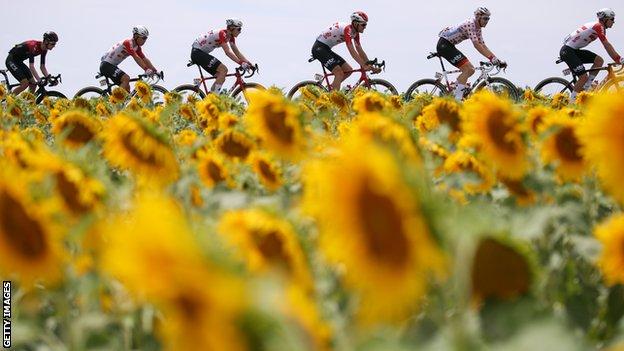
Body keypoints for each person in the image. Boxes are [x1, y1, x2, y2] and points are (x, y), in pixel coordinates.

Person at [437, 7, 505, 100]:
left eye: (488, 19)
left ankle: (456, 86)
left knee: (471, 70)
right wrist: (491, 59)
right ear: (478, 17)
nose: (487, 21)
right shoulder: (471, 24)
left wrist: (495, 59)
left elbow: (483, 46)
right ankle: (457, 100)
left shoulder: (478, 28)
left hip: (449, 45)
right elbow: (477, 45)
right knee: (468, 69)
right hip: (444, 45)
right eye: (485, 18)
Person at [561, 8, 622, 101]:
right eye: (612, 19)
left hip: (573, 51)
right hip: (568, 51)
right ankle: (572, 103)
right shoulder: (598, 26)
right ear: (605, 19)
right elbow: (606, 45)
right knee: (583, 77)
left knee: (599, 60)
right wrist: (618, 59)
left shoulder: (598, 27)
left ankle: (587, 87)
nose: (614, 22)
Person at [312, 11, 380, 91]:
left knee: (348, 70)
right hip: (319, 48)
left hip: (326, 49)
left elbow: (359, 50)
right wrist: (364, 65)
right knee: (339, 73)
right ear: (355, 23)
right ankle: (334, 101)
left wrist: (370, 65)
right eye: (363, 24)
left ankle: (331, 89)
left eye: (366, 24)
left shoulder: (355, 33)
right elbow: (352, 51)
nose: (365, 27)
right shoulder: (348, 30)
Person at [191, 19, 253, 93]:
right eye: (239, 29)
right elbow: (228, 52)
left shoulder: (230, 37)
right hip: (197, 52)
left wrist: (249, 64)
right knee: (223, 70)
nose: (240, 32)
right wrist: (241, 63)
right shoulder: (222, 33)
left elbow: (237, 52)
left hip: (200, 53)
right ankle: (214, 97)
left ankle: (211, 98)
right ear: (232, 28)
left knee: (221, 76)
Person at [100, 25, 158, 92]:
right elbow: (136, 57)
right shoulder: (128, 42)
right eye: (143, 38)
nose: (145, 40)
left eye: (146, 38)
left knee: (127, 88)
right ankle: (114, 101)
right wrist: (146, 69)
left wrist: (155, 71)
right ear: (136, 36)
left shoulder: (137, 47)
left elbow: (144, 59)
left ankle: (120, 101)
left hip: (112, 66)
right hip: (106, 65)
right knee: (126, 78)